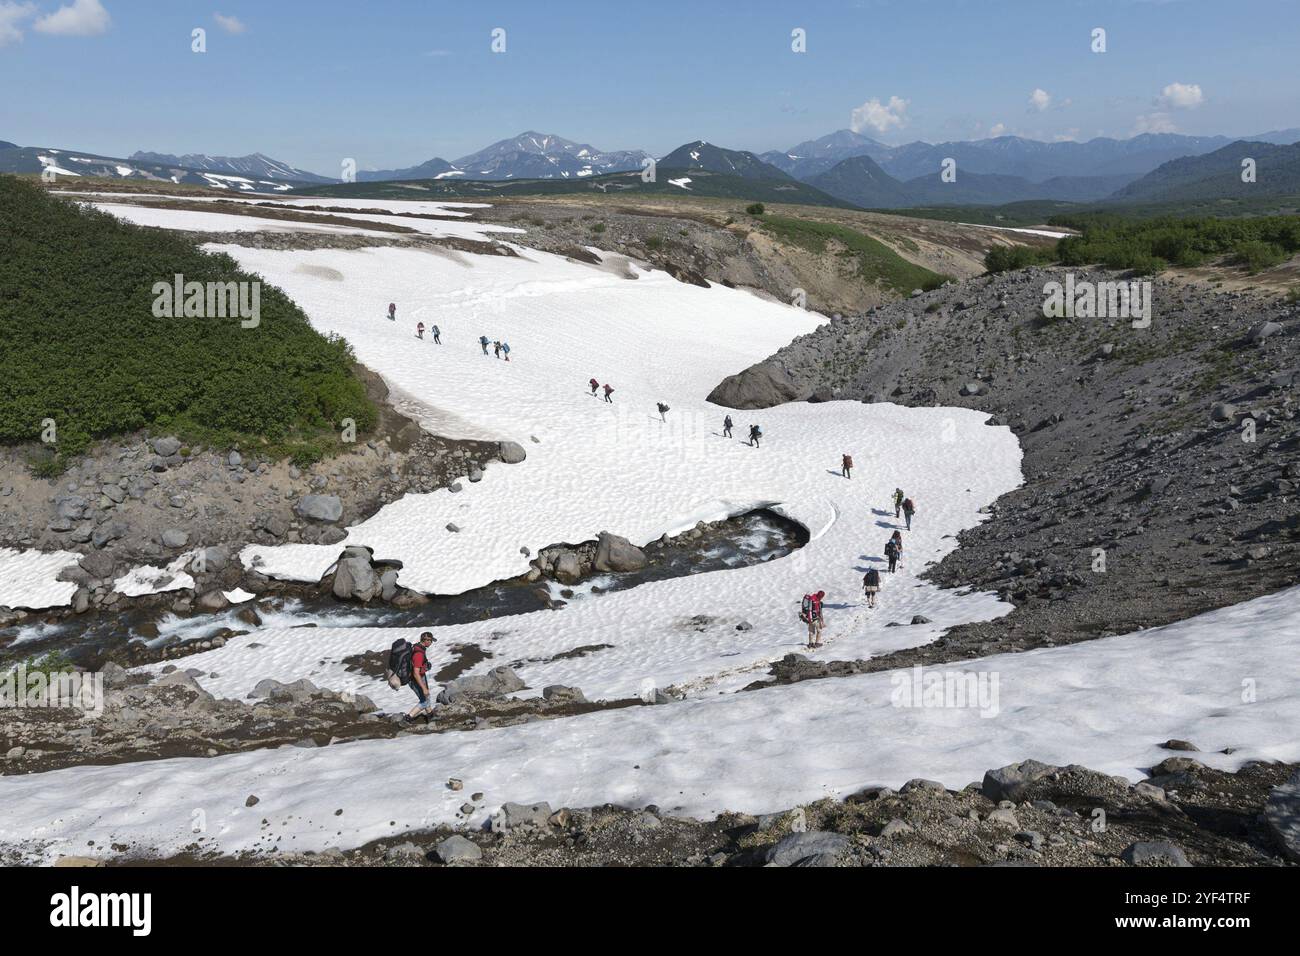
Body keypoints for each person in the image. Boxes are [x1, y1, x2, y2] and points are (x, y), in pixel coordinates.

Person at [404, 631, 437, 723]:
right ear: (426, 640)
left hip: (417, 677)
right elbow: (415, 673)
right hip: (415, 679)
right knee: (424, 700)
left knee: (426, 698)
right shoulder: (419, 654)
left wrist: (425, 665)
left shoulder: (417, 647)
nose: (431, 643)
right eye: (430, 641)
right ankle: (408, 718)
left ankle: (431, 716)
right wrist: (423, 688)